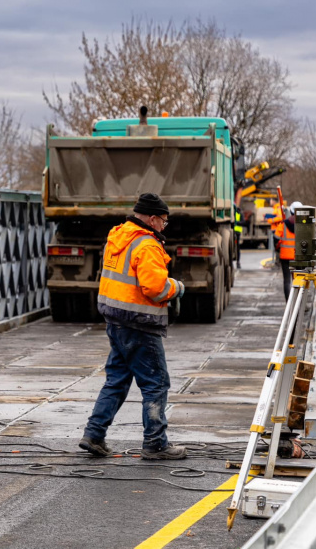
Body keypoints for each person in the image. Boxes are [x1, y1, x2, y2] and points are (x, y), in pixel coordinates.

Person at [79, 193, 187, 461]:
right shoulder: (147, 245)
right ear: (152, 218)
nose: (164, 226)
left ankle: (94, 434)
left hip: (116, 322)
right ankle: (156, 444)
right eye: (163, 221)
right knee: (156, 384)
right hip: (140, 325)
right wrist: (178, 287)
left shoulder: (118, 236)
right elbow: (155, 288)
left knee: (116, 381)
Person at [275, 202, 298, 300]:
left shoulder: (283, 224)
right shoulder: (303, 226)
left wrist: (278, 246)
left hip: (285, 256)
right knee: (297, 279)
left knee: (287, 280)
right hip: (298, 256)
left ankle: (288, 302)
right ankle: (297, 302)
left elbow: (276, 237)